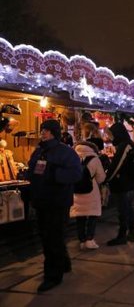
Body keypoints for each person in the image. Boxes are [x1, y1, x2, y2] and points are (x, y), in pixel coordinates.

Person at [26, 119, 82, 292]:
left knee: (53, 238)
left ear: (54, 133)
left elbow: (76, 173)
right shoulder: (39, 150)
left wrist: (55, 174)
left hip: (57, 202)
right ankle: (63, 263)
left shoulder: (65, 152)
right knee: (47, 236)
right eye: (42, 130)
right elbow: (33, 170)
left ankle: (52, 275)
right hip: (41, 200)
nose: (43, 133)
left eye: (47, 130)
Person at [105, 122, 134, 246]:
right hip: (128, 183)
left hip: (122, 184)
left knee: (123, 210)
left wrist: (107, 178)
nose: (111, 137)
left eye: (112, 134)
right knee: (128, 208)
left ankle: (122, 235)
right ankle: (131, 233)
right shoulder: (128, 144)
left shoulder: (125, 146)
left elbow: (117, 165)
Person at [70, 141, 106, 250]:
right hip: (91, 191)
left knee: (80, 217)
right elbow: (101, 178)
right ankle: (90, 239)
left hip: (76, 191)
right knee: (92, 216)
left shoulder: (72, 158)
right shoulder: (95, 159)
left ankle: (82, 240)